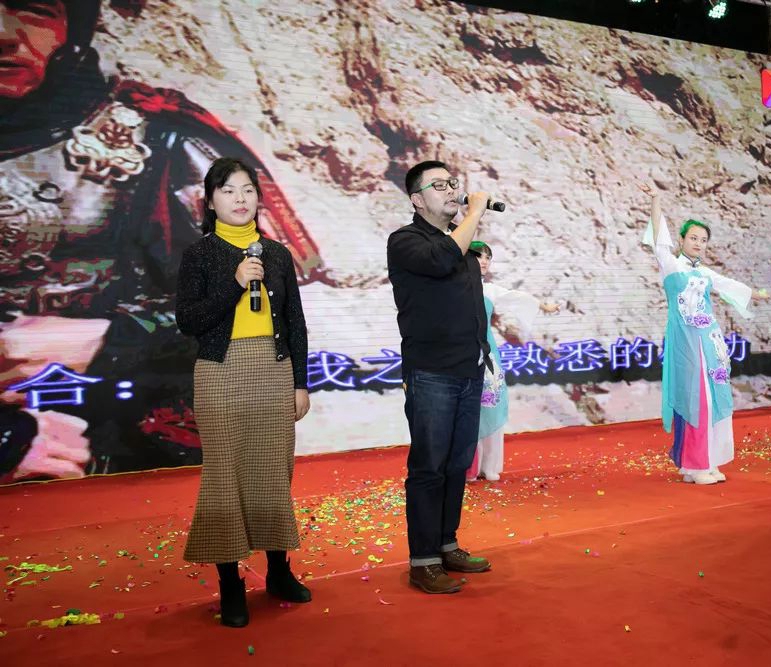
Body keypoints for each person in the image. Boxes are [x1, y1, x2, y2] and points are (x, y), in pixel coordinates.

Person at [0, 0, 328, 483]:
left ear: (74, 22)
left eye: (32, 9)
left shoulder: (162, 142)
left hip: (126, 437)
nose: (5, 33)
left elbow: (267, 309)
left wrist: (113, 340)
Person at [176, 157, 312, 627]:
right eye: (229, 190)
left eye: (248, 190)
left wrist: (300, 382)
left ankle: (278, 571)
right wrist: (234, 284)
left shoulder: (276, 254)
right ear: (211, 201)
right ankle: (230, 583)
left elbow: (295, 323)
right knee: (225, 477)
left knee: (273, 473)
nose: (240, 198)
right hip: (221, 372)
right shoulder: (199, 254)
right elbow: (189, 321)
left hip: (274, 371)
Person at [387, 160, 495, 594]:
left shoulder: (462, 246)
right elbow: (441, 258)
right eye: (439, 185)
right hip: (431, 373)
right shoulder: (406, 241)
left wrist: (483, 354)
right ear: (417, 199)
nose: (452, 191)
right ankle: (423, 561)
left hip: (469, 369)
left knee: (455, 465)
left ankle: (447, 544)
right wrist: (475, 211)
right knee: (429, 467)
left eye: (453, 183)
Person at [641, 183, 765, 485]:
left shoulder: (705, 273)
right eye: (693, 238)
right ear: (681, 240)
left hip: (709, 342)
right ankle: (695, 465)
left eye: (703, 240)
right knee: (696, 401)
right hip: (686, 344)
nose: (698, 243)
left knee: (713, 399)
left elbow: (729, 285)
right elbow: (658, 241)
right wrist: (656, 201)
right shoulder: (672, 266)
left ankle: (705, 462)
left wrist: (757, 294)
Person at [465, 240, 558, 482]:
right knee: (465, 411)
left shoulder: (490, 290)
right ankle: (467, 467)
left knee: (491, 404)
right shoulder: (452, 288)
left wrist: (544, 306)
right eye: (479, 255)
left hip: (487, 354)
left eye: (488, 257)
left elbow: (518, 298)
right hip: (460, 354)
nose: (484, 261)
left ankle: (489, 465)